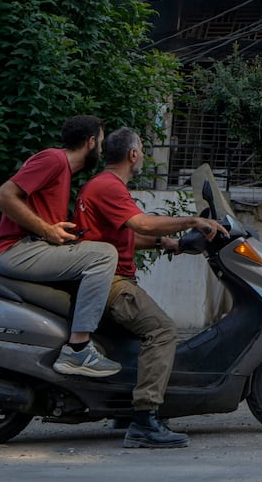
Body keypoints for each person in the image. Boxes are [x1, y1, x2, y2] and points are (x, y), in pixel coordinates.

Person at [76, 126, 226, 450]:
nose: (142, 154)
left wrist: (165, 242)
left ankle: (124, 411)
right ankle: (144, 420)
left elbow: (126, 236)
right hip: (112, 284)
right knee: (162, 332)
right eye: (141, 149)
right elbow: (140, 223)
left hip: (105, 281)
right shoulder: (109, 187)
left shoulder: (102, 185)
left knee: (137, 343)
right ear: (133, 154)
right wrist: (192, 221)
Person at [0, 114, 121, 379]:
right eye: (101, 142)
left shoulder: (62, 171)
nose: (102, 150)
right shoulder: (53, 159)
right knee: (105, 255)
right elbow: (2, 196)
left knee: (94, 252)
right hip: (17, 250)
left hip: (29, 249)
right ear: (91, 141)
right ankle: (78, 349)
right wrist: (47, 230)